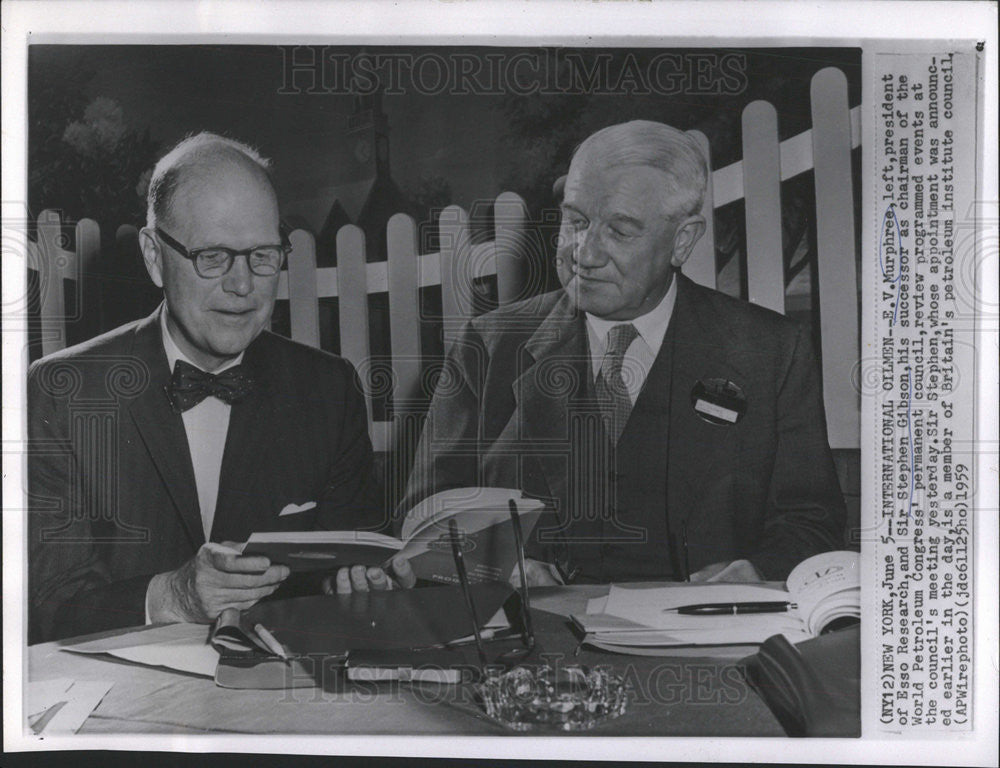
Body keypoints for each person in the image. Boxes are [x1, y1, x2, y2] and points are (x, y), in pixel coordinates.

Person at [401, 120, 846, 585]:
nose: (584, 253)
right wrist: (494, 568)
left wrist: (759, 571)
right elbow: (423, 517)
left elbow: (811, 522)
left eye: (620, 230)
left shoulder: (770, 352)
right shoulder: (487, 346)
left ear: (683, 240)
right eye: (575, 221)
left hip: (707, 644)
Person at [27, 133, 403, 644]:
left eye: (263, 255)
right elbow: (47, 610)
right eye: (213, 256)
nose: (243, 285)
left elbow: (349, 574)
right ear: (154, 257)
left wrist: (360, 586)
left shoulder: (329, 389)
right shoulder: (62, 392)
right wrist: (172, 597)